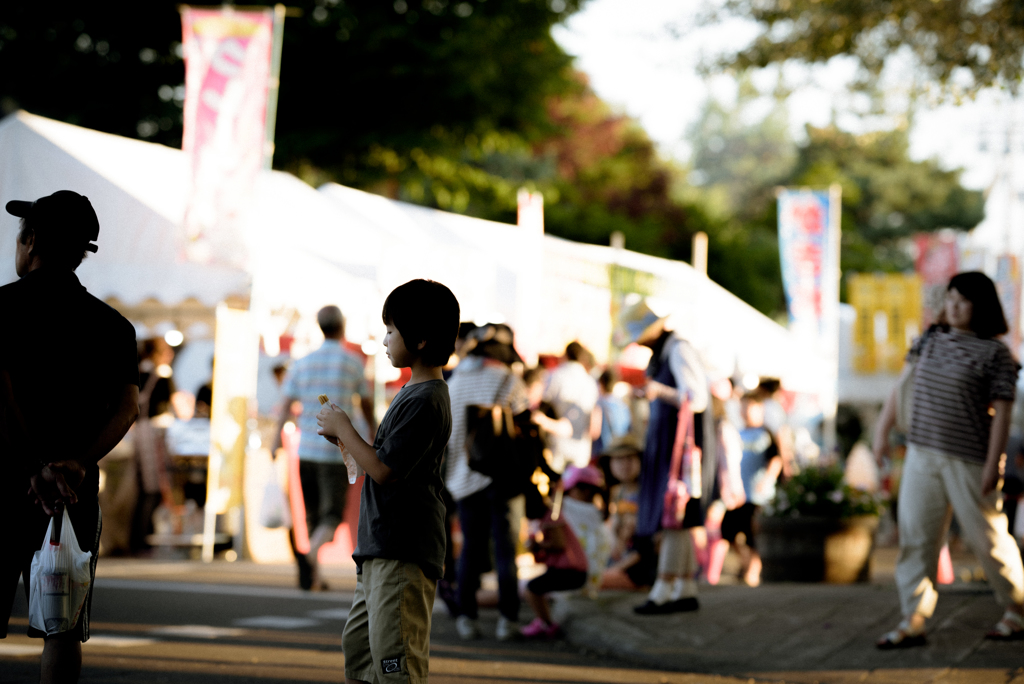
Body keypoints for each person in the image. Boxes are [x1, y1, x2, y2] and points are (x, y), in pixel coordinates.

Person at [0, 191, 140, 684]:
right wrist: (74, 463)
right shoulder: (114, 327)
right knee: (61, 627)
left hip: (6, 482)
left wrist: (34, 465)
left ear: (31, 240)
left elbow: (3, 395)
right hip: (72, 496)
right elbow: (128, 408)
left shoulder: (0, 308)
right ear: (82, 251)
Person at [316, 279, 458, 684]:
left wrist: (345, 427)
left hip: (403, 548)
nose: (384, 340)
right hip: (382, 545)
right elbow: (380, 459)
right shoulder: (413, 392)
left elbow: (383, 470)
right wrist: (344, 435)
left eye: (392, 331)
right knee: (362, 653)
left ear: (420, 339)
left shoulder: (427, 398)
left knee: (396, 662)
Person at [874, 272, 1024, 647]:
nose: (953, 306)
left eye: (963, 300)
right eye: (950, 298)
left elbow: (1003, 414)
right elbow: (900, 387)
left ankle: (1017, 609)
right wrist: (880, 433)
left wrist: (995, 465)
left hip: (970, 460)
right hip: (922, 454)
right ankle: (914, 618)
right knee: (916, 537)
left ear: (981, 306)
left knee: (988, 539)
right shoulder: (929, 339)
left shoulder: (997, 354)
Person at [274, 305, 375, 591]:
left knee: (313, 516)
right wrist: (374, 432)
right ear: (342, 327)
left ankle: (314, 576)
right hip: (337, 450)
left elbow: (285, 405)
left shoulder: (302, 362)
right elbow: (365, 404)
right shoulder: (353, 362)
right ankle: (310, 556)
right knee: (332, 516)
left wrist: (273, 442)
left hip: (305, 449)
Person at [444, 323, 531, 641]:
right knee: (507, 551)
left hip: (464, 479)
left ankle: (467, 617)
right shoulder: (510, 380)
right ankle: (508, 620)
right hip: (504, 478)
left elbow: (451, 438)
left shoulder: (454, 383)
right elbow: (527, 428)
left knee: (470, 548)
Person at [624, 302, 709, 615]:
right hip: (670, 445)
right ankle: (684, 586)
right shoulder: (667, 351)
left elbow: (696, 398)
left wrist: (658, 391)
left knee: (674, 513)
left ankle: (663, 588)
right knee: (679, 517)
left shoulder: (677, 350)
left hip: (678, 449)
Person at [521, 465, 610, 639]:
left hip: (572, 573)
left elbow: (559, 544)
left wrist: (538, 545)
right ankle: (545, 621)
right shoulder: (594, 515)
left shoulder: (555, 514)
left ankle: (547, 624)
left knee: (530, 589)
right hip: (584, 576)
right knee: (535, 587)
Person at [719, 394, 781, 587]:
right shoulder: (736, 432)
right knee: (727, 530)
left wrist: (768, 479)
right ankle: (748, 564)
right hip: (739, 494)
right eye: (743, 407)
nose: (745, 411)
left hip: (758, 496)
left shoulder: (766, 433)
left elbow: (776, 459)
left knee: (753, 535)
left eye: (750, 406)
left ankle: (753, 570)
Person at [537, 341, 599, 472]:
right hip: (581, 445)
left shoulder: (555, 375)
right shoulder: (590, 382)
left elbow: (544, 402)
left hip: (557, 442)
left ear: (566, 355)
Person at [599, 436, 646, 590]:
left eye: (629, 458)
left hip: (637, 567)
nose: (624, 465)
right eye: (618, 460)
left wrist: (616, 568)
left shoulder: (647, 495)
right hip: (617, 557)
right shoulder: (617, 492)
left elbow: (647, 545)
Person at [592, 369, 632, 458]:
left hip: (602, 453)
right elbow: (629, 429)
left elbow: (594, 432)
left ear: (601, 383)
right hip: (619, 452)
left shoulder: (598, 405)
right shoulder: (623, 406)